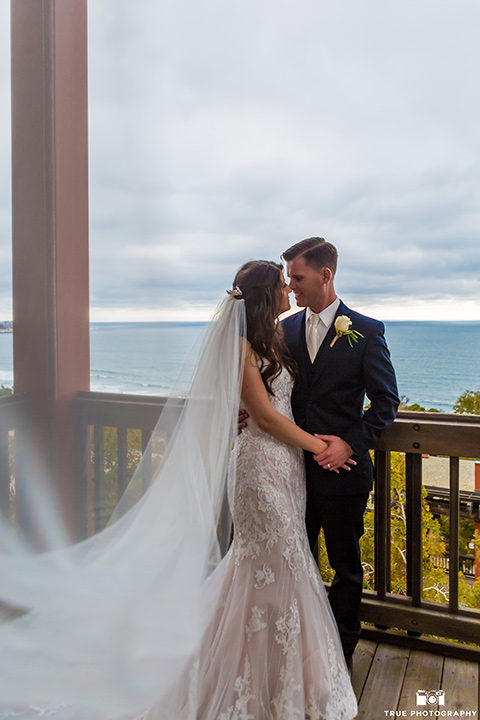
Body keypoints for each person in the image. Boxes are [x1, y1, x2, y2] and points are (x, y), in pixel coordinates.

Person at [0, 260, 357, 719]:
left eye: (294, 281)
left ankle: (277, 673)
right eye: (282, 284)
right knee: (276, 559)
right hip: (259, 469)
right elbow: (265, 416)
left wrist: (303, 445)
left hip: (286, 466)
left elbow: (276, 403)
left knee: (269, 566)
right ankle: (245, 678)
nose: (290, 289)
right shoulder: (242, 345)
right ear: (267, 295)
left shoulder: (272, 338)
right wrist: (320, 445)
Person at [281, 237, 399, 671]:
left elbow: (386, 404)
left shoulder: (366, 331)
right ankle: (301, 646)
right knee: (299, 560)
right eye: (289, 278)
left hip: (343, 474)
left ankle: (342, 655)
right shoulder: (285, 328)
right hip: (290, 469)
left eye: (298, 277)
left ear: (325, 275)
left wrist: (350, 441)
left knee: (345, 567)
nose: (291, 286)